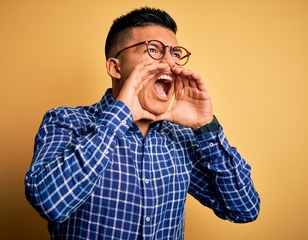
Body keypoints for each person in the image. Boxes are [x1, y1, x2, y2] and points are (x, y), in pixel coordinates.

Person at [25, 7, 260, 239]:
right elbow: (49, 202)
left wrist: (205, 127)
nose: (171, 63)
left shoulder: (179, 138)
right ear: (115, 67)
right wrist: (119, 117)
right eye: (154, 49)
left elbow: (244, 208)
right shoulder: (66, 121)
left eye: (175, 53)